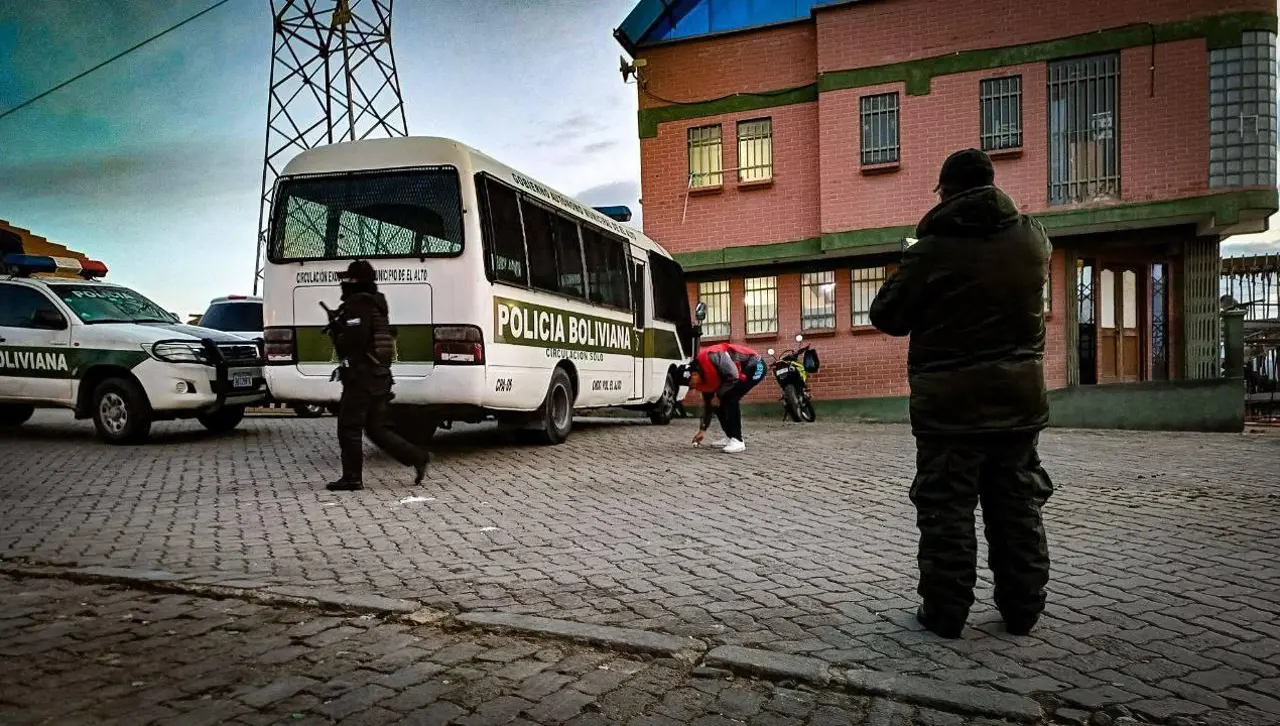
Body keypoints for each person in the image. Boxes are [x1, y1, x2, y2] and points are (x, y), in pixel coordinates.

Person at [869, 148, 1055, 639]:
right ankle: (1023, 610)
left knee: (946, 507)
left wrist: (914, 263)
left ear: (946, 192)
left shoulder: (932, 251)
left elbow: (886, 315)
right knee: (1017, 505)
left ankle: (946, 612)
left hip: (949, 408)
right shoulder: (1032, 240)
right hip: (1018, 402)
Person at [323, 259, 428, 492]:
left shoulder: (358, 303)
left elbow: (354, 340)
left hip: (363, 376)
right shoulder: (376, 303)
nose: (344, 282)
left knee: (349, 426)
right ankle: (417, 457)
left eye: (348, 278)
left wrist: (337, 329)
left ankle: (352, 478)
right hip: (379, 374)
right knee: (375, 428)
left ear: (355, 281)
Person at [682, 341, 766, 453]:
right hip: (736, 375)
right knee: (718, 403)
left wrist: (718, 395)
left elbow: (734, 376)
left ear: (694, 374)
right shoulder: (703, 377)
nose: (693, 387)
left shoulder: (712, 356)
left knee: (731, 397)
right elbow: (709, 405)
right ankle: (730, 436)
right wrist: (702, 430)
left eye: (691, 384)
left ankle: (738, 440)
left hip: (754, 366)